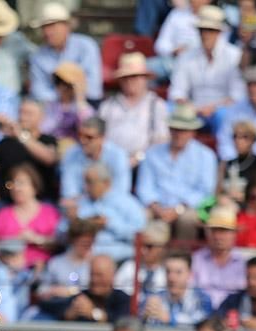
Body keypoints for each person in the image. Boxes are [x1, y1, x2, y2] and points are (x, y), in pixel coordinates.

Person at [135, 103, 218, 242]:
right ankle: (146, 260)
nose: (179, 134)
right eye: (176, 129)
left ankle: (183, 257)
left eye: (184, 130)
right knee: (139, 215)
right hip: (156, 207)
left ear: (193, 131)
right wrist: (157, 208)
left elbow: (205, 191)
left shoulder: (206, 156)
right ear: (170, 129)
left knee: (188, 219)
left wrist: (178, 209)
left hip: (187, 208)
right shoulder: (152, 153)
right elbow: (144, 187)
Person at [168, 5, 245, 130]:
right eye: (202, 30)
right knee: (168, 109)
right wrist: (189, 107)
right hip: (192, 111)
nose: (205, 34)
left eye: (210, 30)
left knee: (224, 115)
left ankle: (225, 148)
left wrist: (213, 108)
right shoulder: (187, 56)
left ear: (219, 32)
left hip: (221, 111)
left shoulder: (234, 56)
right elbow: (177, 92)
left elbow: (236, 96)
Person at [99, 52, 169, 169]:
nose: (130, 81)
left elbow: (161, 140)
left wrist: (138, 158)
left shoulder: (157, 105)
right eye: (126, 78)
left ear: (144, 79)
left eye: (135, 77)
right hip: (111, 163)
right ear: (120, 81)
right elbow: (100, 137)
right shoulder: (108, 105)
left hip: (145, 163)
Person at [67, 163, 145, 264]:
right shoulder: (79, 204)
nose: (85, 187)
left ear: (106, 183)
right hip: (82, 258)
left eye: (90, 182)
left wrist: (109, 224)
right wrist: (73, 223)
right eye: (85, 182)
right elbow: (60, 234)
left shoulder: (127, 203)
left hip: (119, 259)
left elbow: (139, 235)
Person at [0, 164, 61, 269]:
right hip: (8, 269)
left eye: (21, 183)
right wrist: (13, 243)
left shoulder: (49, 212)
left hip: (45, 269)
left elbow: (60, 242)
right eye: (12, 184)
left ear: (34, 186)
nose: (16, 188)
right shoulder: (3, 214)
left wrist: (38, 239)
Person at [0, 98, 59, 203]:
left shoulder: (48, 141)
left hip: (41, 203)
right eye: (21, 112)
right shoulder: (5, 143)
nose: (22, 117)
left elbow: (50, 158)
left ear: (41, 117)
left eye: (29, 113)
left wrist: (22, 136)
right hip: (7, 203)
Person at [28, 2, 102, 104]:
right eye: (44, 27)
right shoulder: (38, 56)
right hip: (52, 108)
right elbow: (38, 92)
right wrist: (63, 96)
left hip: (86, 104)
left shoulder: (86, 46)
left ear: (67, 26)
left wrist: (70, 95)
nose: (47, 32)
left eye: (52, 26)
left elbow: (94, 89)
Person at [27, 219, 95, 319]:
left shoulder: (96, 263)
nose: (86, 246)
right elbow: (41, 290)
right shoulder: (56, 263)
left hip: (85, 311)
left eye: (89, 242)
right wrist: (53, 291)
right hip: (58, 309)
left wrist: (70, 291)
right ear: (73, 240)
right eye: (82, 242)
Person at [59, 117, 131, 205]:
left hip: (112, 206)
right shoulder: (71, 154)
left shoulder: (118, 155)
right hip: (80, 207)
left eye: (89, 137)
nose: (83, 140)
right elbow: (69, 193)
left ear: (102, 138)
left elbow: (121, 191)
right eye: (80, 135)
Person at [191, 205, 247, 306]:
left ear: (234, 234)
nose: (218, 236)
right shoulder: (196, 259)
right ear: (207, 233)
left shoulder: (244, 262)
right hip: (201, 313)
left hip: (233, 315)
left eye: (223, 231)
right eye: (214, 230)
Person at [142, 251, 213, 326]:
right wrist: (146, 316)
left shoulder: (202, 299)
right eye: (168, 272)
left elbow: (202, 322)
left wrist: (169, 318)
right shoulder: (155, 297)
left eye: (178, 272)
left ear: (190, 274)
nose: (171, 278)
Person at [59, 253, 131, 323]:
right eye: (92, 274)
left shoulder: (123, 300)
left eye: (99, 275)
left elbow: (122, 322)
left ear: (112, 276)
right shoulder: (81, 297)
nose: (94, 280)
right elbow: (56, 311)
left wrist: (93, 313)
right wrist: (69, 314)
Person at [115, 219, 170, 300]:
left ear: (162, 247)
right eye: (141, 245)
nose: (143, 251)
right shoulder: (129, 267)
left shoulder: (169, 272)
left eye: (149, 246)